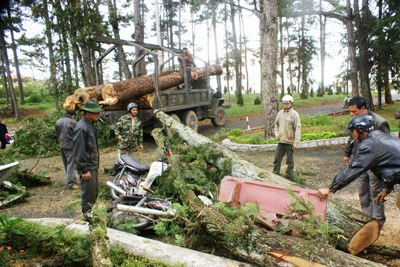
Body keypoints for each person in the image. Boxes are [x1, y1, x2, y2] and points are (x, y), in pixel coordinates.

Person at [317, 114, 400, 207]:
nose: (352, 135)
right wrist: (386, 189)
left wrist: (330, 189)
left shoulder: (369, 145)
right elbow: (392, 165)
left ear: (360, 130)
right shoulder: (380, 136)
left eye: (353, 131)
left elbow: (354, 168)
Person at [344, 96, 390, 225]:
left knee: (376, 191)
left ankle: (378, 221)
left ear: (363, 109)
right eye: (350, 111)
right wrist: (347, 153)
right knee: (363, 191)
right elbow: (352, 139)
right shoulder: (355, 120)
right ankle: (366, 217)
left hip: (375, 164)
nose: (351, 114)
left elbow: (386, 145)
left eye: (354, 111)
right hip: (360, 160)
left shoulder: (380, 123)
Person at [73, 100, 102, 216]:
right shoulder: (81, 128)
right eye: (95, 112)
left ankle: (92, 216)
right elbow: (79, 151)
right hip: (87, 168)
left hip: (92, 166)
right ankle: (87, 218)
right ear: (87, 112)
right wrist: (83, 170)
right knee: (88, 195)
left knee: (94, 193)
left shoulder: (90, 125)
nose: (98, 114)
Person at [272, 94, 301, 180]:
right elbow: (276, 125)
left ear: (291, 103)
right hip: (281, 141)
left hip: (290, 142)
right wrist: (277, 134)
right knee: (277, 159)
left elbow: (298, 129)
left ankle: (289, 177)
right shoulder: (280, 113)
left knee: (289, 161)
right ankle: (275, 174)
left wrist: (296, 143)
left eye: (287, 103)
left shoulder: (295, 114)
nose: (286, 105)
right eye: (284, 103)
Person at [55, 109, 79, 189]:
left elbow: (57, 133)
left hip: (61, 144)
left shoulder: (58, 121)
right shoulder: (73, 122)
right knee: (71, 164)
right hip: (70, 145)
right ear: (73, 115)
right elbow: (76, 135)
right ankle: (70, 184)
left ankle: (73, 180)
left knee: (66, 164)